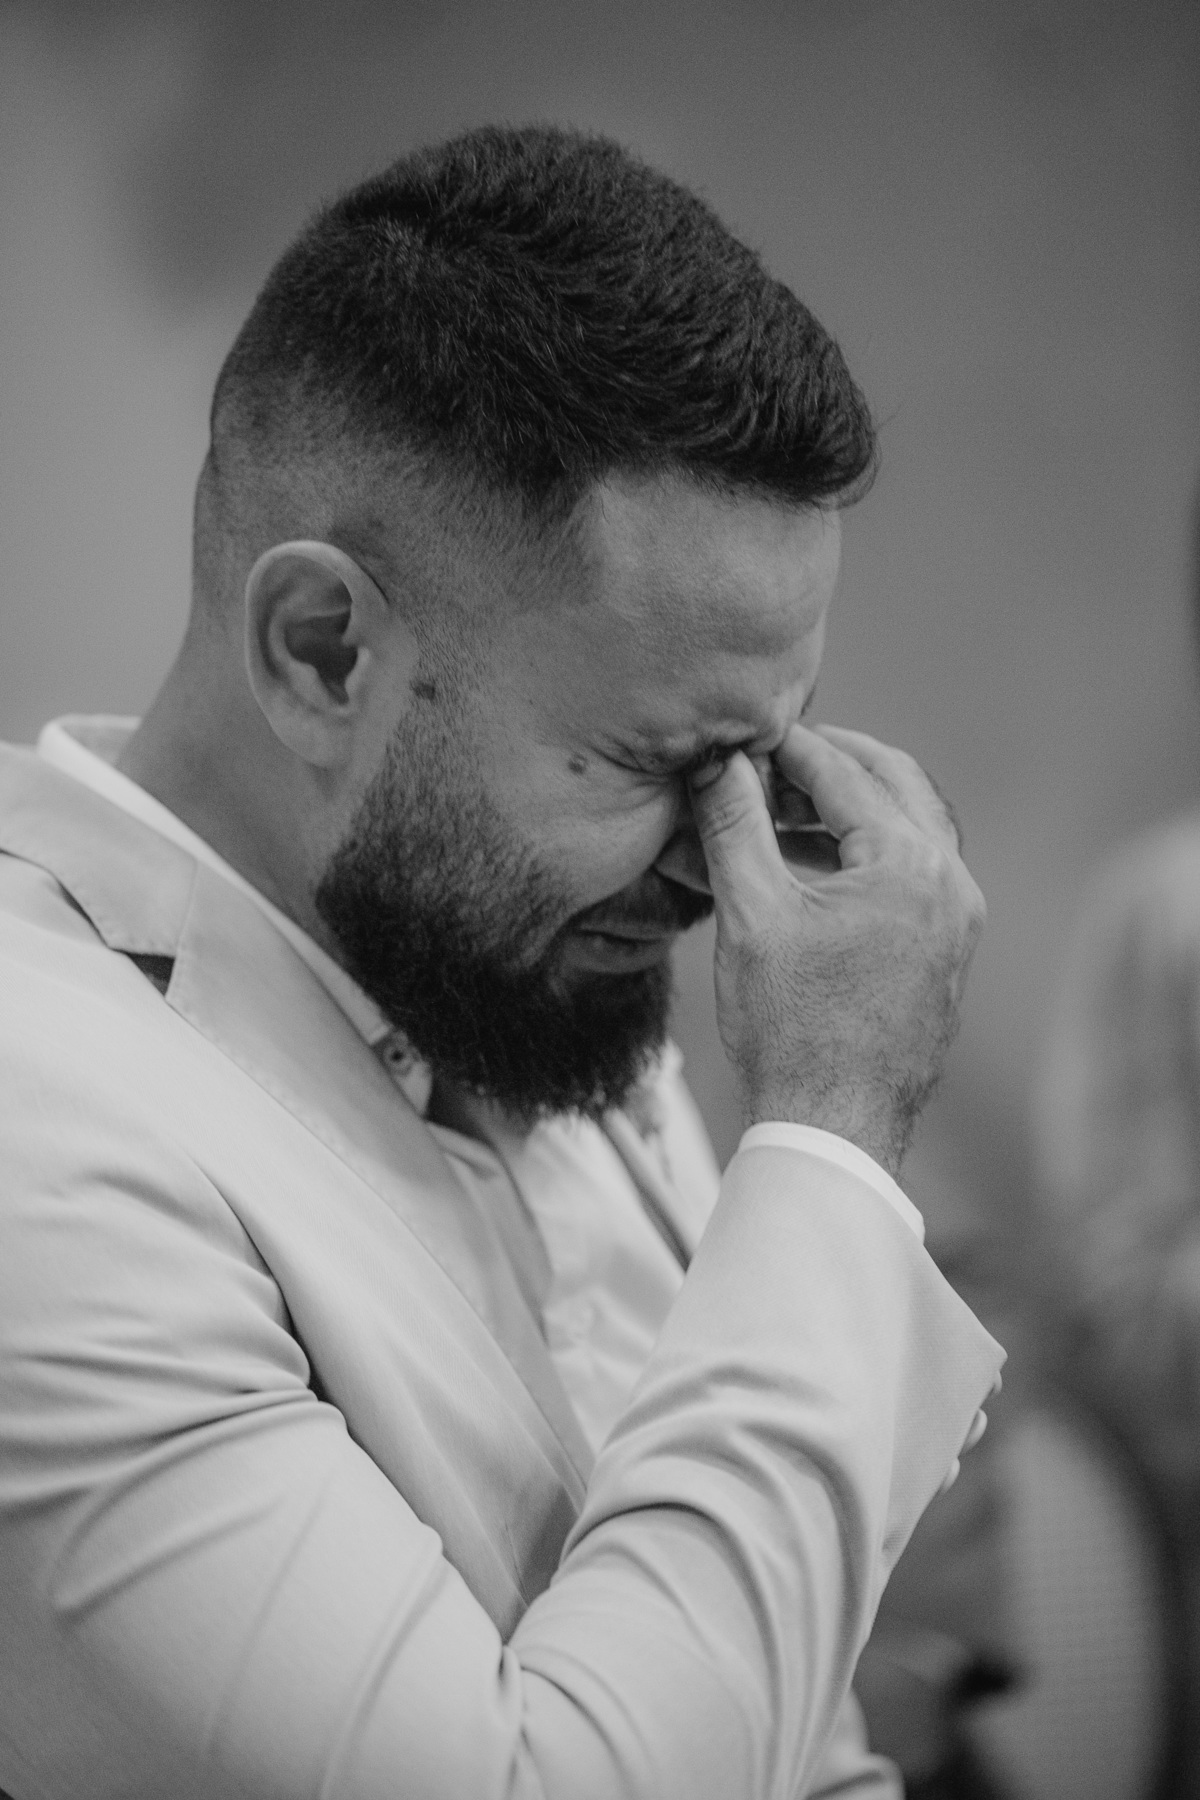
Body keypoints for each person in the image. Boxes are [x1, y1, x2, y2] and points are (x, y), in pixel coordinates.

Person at [0, 125, 1002, 1799]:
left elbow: (790, 1746)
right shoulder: (34, 1139)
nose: (724, 868)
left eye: (769, 752)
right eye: (652, 761)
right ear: (323, 653)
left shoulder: (531, 981)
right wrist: (831, 1128)